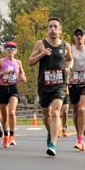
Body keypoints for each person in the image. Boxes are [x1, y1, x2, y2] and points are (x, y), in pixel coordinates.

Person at [28, 17, 72, 157]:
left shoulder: (66, 46)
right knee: (46, 115)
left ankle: (53, 144)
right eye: (50, 27)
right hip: (44, 84)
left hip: (60, 84)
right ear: (47, 30)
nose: (53, 29)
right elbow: (30, 62)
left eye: (55, 27)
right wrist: (41, 54)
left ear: (60, 30)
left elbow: (70, 59)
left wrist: (68, 68)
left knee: (55, 112)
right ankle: (50, 132)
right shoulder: (41, 44)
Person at [0, 41, 26, 147]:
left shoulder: (18, 62)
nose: (10, 51)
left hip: (13, 88)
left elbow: (21, 72)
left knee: (11, 112)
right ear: (5, 50)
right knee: (5, 116)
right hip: (2, 88)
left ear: (15, 51)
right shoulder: (1, 62)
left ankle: (12, 136)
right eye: (8, 49)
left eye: (12, 49)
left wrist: (23, 76)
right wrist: (2, 73)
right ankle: (5, 135)